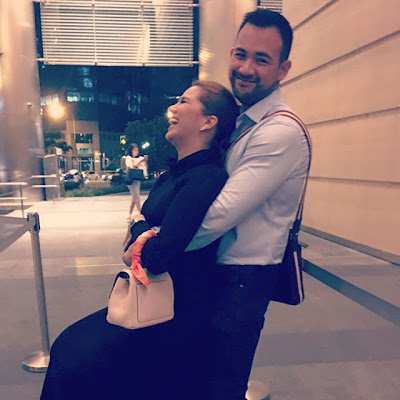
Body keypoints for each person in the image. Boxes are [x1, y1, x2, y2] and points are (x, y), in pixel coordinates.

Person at [40, 80, 239, 400]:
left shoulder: (206, 176)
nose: (173, 108)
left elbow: (157, 255)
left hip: (174, 312)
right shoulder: (171, 175)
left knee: (72, 356)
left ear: (208, 122)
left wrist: (138, 224)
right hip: (145, 297)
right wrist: (142, 232)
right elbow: (139, 247)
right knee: (69, 347)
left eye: (184, 102)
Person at [185, 9, 311, 400]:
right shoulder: (243, 121)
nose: (245, 68)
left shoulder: (279, 131)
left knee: (220, 385)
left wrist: (159, 244)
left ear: (283, 69)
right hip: (220, 272)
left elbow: (218, 215)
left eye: (261, 59)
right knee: (200, 377)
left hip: (242, 281)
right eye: (241, 54)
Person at [125, 143, 148, 220]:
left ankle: (130, 213)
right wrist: (140, 161)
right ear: (131, 150)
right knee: (136, 197)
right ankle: (141, 213)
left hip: (137, 179)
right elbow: (131, 167)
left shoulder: (139, 158)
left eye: (137, 150)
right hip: (131, 180)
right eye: (135, 150)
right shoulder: (128, 158)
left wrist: (144, 161)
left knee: (134, 197)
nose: (136, 151)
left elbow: (144, 168)